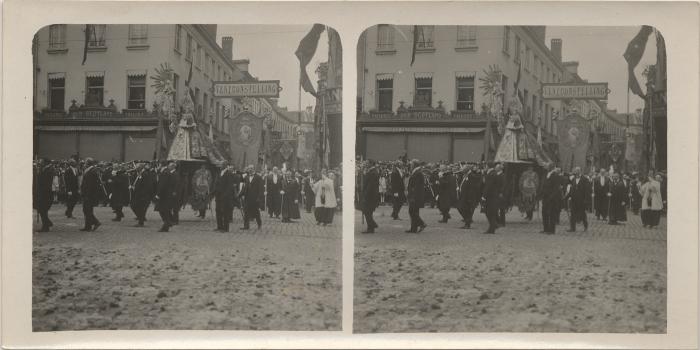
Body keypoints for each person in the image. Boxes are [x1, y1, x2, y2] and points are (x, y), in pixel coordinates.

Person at [482, 163, 506, 234]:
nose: (484, 168)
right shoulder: (493, 173)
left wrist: (484, 196)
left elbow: (488, 186)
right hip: (493, 195)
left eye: (485, 166)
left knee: (490, 212)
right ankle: (493, 226)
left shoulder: (492, 174)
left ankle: (493, 228)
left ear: (488, 166)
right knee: (490, 212)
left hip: (491, 196)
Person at [565, 167, 591, 232]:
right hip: (574, 200)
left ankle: (585, 226)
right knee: (572, 214)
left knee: (582, 214)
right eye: (575, 171)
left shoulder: (585, 179)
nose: (576, 172)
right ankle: (572, 228)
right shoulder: (573, 179)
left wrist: (586, 200)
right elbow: (571, 190)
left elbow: (587, 191)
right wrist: (566, 197)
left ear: (580, 171)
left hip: (581, 200)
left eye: (577, 171)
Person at [155, 161, 179, 232]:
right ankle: (168, 223)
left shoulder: (165, 173)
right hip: (167, 194)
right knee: (165, 210)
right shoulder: (168, 172)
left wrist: (158, 194)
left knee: (163, 210)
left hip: (165, 195)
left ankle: (166, 225)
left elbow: (162, 185)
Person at [80, 158, 103, 232]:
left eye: (85, 163)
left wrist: (87, 195)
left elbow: (90, 185)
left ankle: (95, 222)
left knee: (87, 210)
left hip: (89, 194)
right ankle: (88, 226)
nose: (84, 164)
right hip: (87, 194)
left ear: (88, 163)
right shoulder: (90, 170)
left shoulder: (92, 171)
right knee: (87, 210)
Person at [130, 162, 155, 227]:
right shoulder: (139, 173)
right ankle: (141, 219)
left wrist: (143, 193)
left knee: (139, 207)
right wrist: (133, 186)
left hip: (143, 194)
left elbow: (147, 185)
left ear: (140, 167)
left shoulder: (145, 174)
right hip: (138, 193)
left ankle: (141, 222)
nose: (135, 168)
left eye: (137, 167)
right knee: (134, 206)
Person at [457, 163, 481, 229]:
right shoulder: (465, 175)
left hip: (468, 197)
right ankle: (467, 221)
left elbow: (472, 188)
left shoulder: (471, 176)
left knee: (464, 209)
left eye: (463, 168)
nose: (462, 169)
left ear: (467, 169)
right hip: (463, 195)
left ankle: (467, 223)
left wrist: (469, 198)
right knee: (461, 208)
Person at [213, 162, 236, 232]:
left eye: (221, 164)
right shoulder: (219, 173)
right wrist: (213, 192)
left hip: (225, 197)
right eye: (220, 164)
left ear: (225, 165)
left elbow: (229, 187)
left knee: (225, 212)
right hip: (218, 196)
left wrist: (225, 195)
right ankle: (219, 226)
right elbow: (216, 184)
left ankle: (226, 228)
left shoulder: (229, 174)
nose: (220, 165)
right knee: (218, 211)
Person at [406, 160, 427, 233]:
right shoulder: (416, 172)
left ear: (414, 165)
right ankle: (413, 228)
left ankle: (422, 223)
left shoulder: (418, 173)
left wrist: (412, 196)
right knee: (414, 211)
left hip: (415, 196)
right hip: (415, 195)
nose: (410, 165)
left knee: (412, 211)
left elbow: (416, 187)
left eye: (411, 164)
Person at [34, 158, 55, 232]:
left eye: (41, 162)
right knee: (42, 209)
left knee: (42, 209)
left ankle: (46, 227)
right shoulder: (45, 169)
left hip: (46, 193)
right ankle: (47, 223)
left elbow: (46, 182)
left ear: (45, 162)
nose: (40, 163)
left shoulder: (49, 170)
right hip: (43, 192)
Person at [539, 163, 561, 234]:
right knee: (544, 213)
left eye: (548, 166)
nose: (547, 167)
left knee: (552, 214)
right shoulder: (546, 174)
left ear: (552, 167)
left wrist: (551, 197)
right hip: (545, 197)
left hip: (552, 198)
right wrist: (541, 194)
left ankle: (552, 230)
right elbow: (543, 185)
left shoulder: (555, 175)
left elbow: (556, 188)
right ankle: (546, 228)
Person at [240, 165, 264, 230]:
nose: (250, 170)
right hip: (247, 198)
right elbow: (244, 188)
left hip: (255, 198)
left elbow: (261, 188)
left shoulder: (258, 177)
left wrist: (259, 197)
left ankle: (259, 224)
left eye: (251, 168)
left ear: (254, 169)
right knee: (246, 212)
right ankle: (246, 226)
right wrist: (240, 194)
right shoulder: (246, 177)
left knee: (256, 212)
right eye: (249, 169)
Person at [360, 160, 380, 233]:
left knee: (367, 211)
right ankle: (371, 228)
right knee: (368, 212)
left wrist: (365, 195)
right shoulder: (371, 171)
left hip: (370, 196)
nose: (366, 164)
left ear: (371, 164)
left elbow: (370, 186)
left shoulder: (373, 173)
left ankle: (372, 225)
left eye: (367, 163)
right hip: (371, 195)